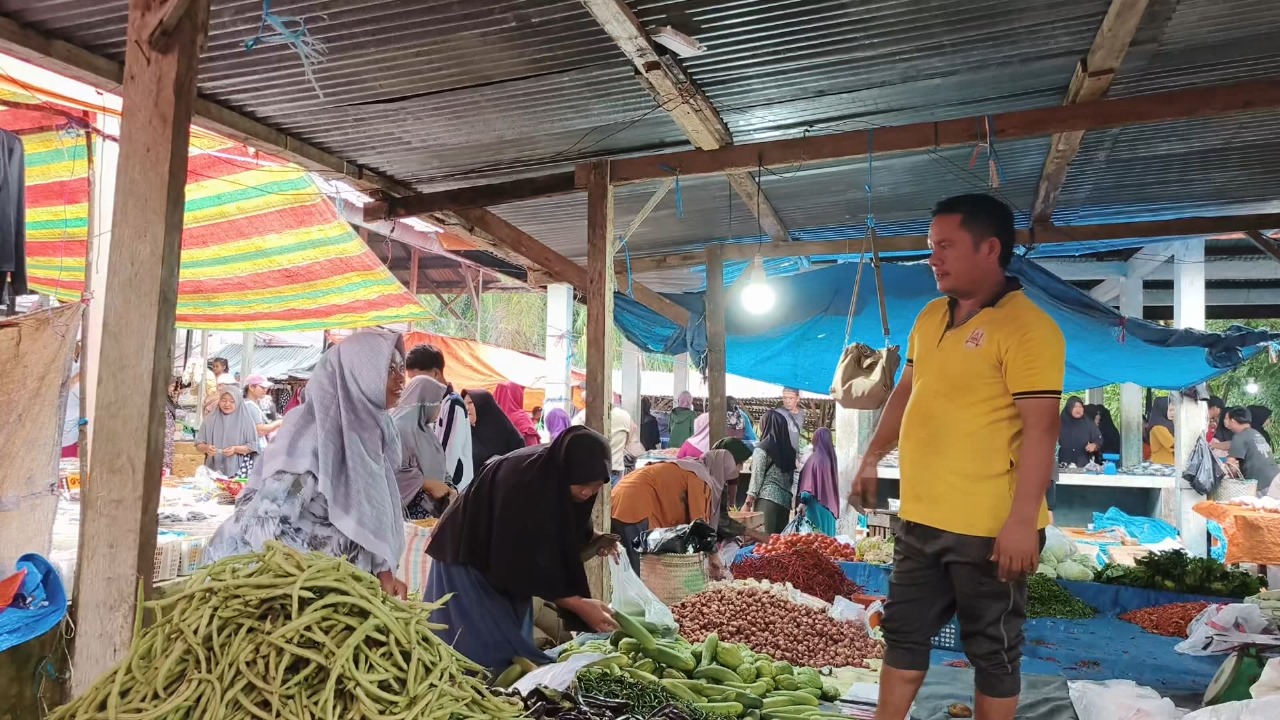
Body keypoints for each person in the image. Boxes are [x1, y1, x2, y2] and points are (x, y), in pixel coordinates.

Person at [850, 193, 1065, 720]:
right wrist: (872, 454)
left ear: (990, 248)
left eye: (945, 246)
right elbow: (907, 389)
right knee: (902, 634)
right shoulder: (929, 316)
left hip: (991, 528)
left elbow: (1042, 431)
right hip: (921, 516)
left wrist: (1020, 522)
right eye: (931, 247)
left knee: (991, 648)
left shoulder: (1029, 329)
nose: (933, 258)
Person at [205, 331, 409, 599]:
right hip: (290, 596)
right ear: (358, 375)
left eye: (401, 367)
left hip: (343, 596)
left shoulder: (371, 433)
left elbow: (370, 514)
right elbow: (265, 522)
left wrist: (383, 572)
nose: (400, 378)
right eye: (388, 369)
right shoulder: (314, 434)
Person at [424, 425, 620, 671]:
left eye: (595, 484)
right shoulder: (523, 483)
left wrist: (592, 537)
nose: (587, 491)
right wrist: (579, 604)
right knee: (477, 646)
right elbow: (518, 561)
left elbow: (560, 521)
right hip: (468, 556)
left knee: (513, 643)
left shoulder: (555, 474)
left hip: (503, 560)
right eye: (581, 483)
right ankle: (471, 690)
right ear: (566, 472)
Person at [610, 449, 739, 574]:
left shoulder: (691, 467)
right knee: (637, 570)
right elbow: (699, 524)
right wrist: (713, 554)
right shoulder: (700, 478)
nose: (724, 485)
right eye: (726, 480)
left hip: (620, 497)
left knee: (623, 566)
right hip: (635, 504)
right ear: (719, 471)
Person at [406, 344, 474, 491]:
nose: (414, 385)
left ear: (436, 374)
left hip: (452, 488)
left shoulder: (452, 403)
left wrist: (439, 488)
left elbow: (447, 454)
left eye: (417, 379)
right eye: (411, 380)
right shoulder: (431, 404)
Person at [392, 374, 456, 520]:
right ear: (425, 403)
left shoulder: (426, 431)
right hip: (409, 514)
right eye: (437, 402)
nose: (439, 408)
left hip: (434, 511)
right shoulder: (398, 431)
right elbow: (392, 473)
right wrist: (425, 484)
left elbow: (440, 465)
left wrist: (449, 486)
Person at [571, 390, 645, 483]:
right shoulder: (624, 416)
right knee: (613, 497)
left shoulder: (582, 417)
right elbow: (629, 440)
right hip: (615, 469)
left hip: (590, 472)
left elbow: (573, 442)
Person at [745, 409, 798, 534]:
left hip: (766, 500)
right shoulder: (790, 452)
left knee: (764, 544)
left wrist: (748, 503)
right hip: (785, 504)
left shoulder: (762, 448)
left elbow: (756, 478)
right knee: (777, 547)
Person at [195, 386, 262, 478]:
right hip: (212, 470)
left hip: (238, 470)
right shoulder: (209, 420)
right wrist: (207, 448)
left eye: (232, 401)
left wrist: (235, 449)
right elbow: (199, 444)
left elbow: (253, 446)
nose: (227, 404)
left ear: (238, 401)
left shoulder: (246, 421)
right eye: (223, 400)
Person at [464, 388, 527, 472]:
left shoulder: (506, 434)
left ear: (484, 405)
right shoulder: (465, 434)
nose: (466, 408)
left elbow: (520, 463)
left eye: (470, 403)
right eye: (464, 404)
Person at [1223, 407, 1280, 495]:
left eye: (1227, 419)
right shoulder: (1257, 433)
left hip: (1261, 484)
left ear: (1233, 421)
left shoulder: (1239, 436)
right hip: (1275, 478)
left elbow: (1231, 465)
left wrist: (1230, 478)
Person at [797, 427, 839, 535]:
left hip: (815, 508)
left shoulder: (815, 458)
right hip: (829, 510)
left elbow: (808, 485)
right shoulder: (830, 459)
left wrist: (802, 502)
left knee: (815, 545)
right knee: (828, 545)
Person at [492, 381, 540, 447]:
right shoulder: (522, 418)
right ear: (518, 395)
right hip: (519, 457)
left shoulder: (491, 419)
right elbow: (533, 449)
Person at [1058, 397, 1102, 468]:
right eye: (1075, 407)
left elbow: (1098, 439)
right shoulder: (1059, 423)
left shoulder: (1088, 422)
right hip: (1062, 464)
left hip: (1083, 464)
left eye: (1080, 407)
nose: (1078, 409)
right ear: (1069, 408)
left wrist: (1094, 445)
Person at [243, 374, 284, 440]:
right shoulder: (250, 406)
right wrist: (278, 423)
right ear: (251, 387)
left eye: (266, 387)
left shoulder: (253, 404)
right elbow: (260, 430)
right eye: (262, 387)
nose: (265, 390)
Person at [1148, 396, 1176, 465]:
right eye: (1170, 410)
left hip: (1168, 463)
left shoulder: (1169, 424)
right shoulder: (1158, 427)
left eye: (1173, 410)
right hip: (1161, 463)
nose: (1172, 413)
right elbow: (1173, 444)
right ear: (1163, 409)